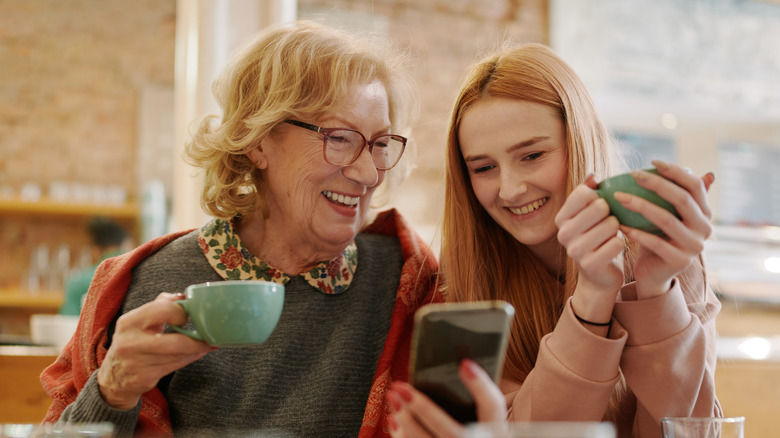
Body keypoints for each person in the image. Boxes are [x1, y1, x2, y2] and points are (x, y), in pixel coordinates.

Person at [41, 21, 440, 438]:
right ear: (259, 140)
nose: (368, 172)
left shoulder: (409, 283)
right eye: (340, 138)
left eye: (379, 144)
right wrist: (113, 390)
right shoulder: (148, 283)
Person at [386, 43, 721, 437]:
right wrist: (592, 296)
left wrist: (655, 291)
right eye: (485, 167)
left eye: (532, 156)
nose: (509, 189)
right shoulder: (465, 279)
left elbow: (687, 431)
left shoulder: (664, 254)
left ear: (580, 141)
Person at [59, 217, 130, 316]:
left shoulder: (78, 282)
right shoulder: (137, 273)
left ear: (95, 250)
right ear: (125, 244)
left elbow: (67, 323)